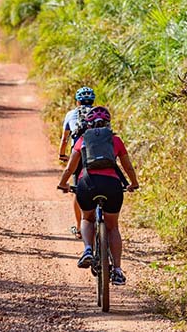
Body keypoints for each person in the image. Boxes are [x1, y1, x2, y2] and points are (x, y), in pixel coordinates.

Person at [56, 106, 140, 286]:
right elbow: (128, 167)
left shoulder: (82, 140)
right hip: (112, 186)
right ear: (108, 123)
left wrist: (63, 184)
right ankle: (117, 270)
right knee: (112, 227)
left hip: (87, 184)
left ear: (87, 124)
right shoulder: (115, 140)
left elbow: (70, 168)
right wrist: (133, 183)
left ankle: (87, 249)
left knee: (87, 218)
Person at [57, 86, 96, 239]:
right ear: (93, 101)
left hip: (78, 154)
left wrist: (62, 154)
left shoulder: (71, 114)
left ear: (78, 102)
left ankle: (80, 227)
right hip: (97, 153)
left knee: (78, 190)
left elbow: (65, 138)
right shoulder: (99, 114)